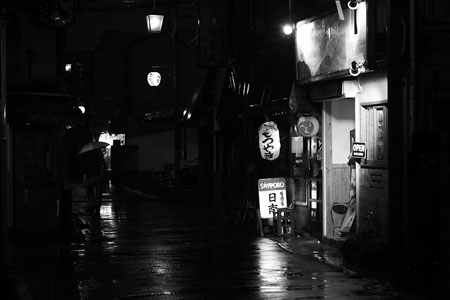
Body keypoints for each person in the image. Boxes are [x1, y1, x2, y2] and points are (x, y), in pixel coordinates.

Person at [81, 148, 107, 216]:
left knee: (89, 192)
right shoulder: (99, 158)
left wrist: (84, 181)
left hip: (90, 178)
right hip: (99, 178)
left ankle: (92, 204)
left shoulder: (87, 159)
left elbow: (85, 171)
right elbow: (105, 167)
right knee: (98, 194)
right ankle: (98, 208)